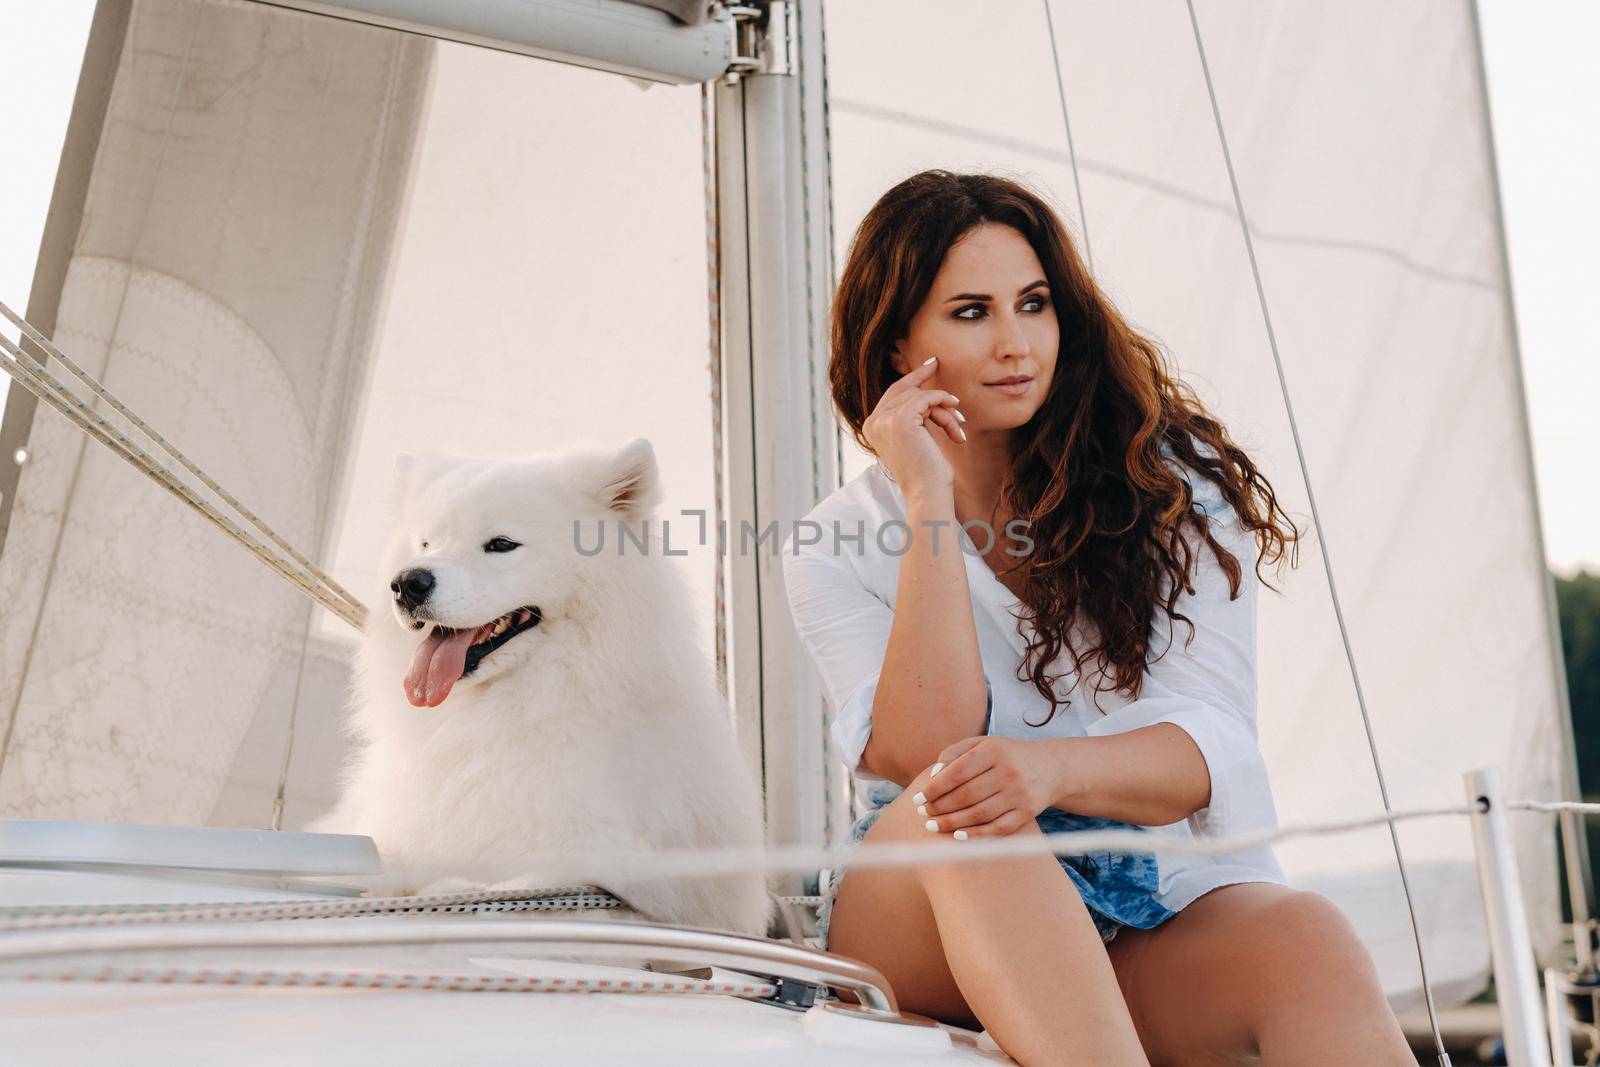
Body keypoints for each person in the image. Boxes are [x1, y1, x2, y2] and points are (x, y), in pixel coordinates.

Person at [780, 170, 1413, 1065]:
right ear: (895, 347)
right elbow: (925, 750)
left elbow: (1209, 747)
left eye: (1033, 304)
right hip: (922, 907)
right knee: (964, 807)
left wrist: (1045, 772)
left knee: (1305, 940)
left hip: (1133, 899)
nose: (1015, 343)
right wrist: (926, 495)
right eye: (970, 313)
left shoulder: (1171, 490)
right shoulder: (831, 542)